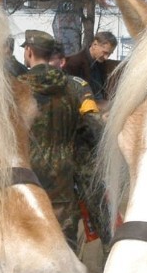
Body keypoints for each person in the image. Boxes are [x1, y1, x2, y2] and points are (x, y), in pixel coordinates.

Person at [19, 29, 101, 252]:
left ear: (29, 52)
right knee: (65, 249)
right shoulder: (75, 87)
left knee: (28, 249)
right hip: (63, 182)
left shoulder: (16, 89)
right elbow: (93, 130)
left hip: (26, 183)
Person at [62, 30, 119, 106]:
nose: (106, 57)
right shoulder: (74, 63)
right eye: (105, 52)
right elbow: (71, 96)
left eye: (109, 54)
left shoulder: (101, 62)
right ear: (94, 45)